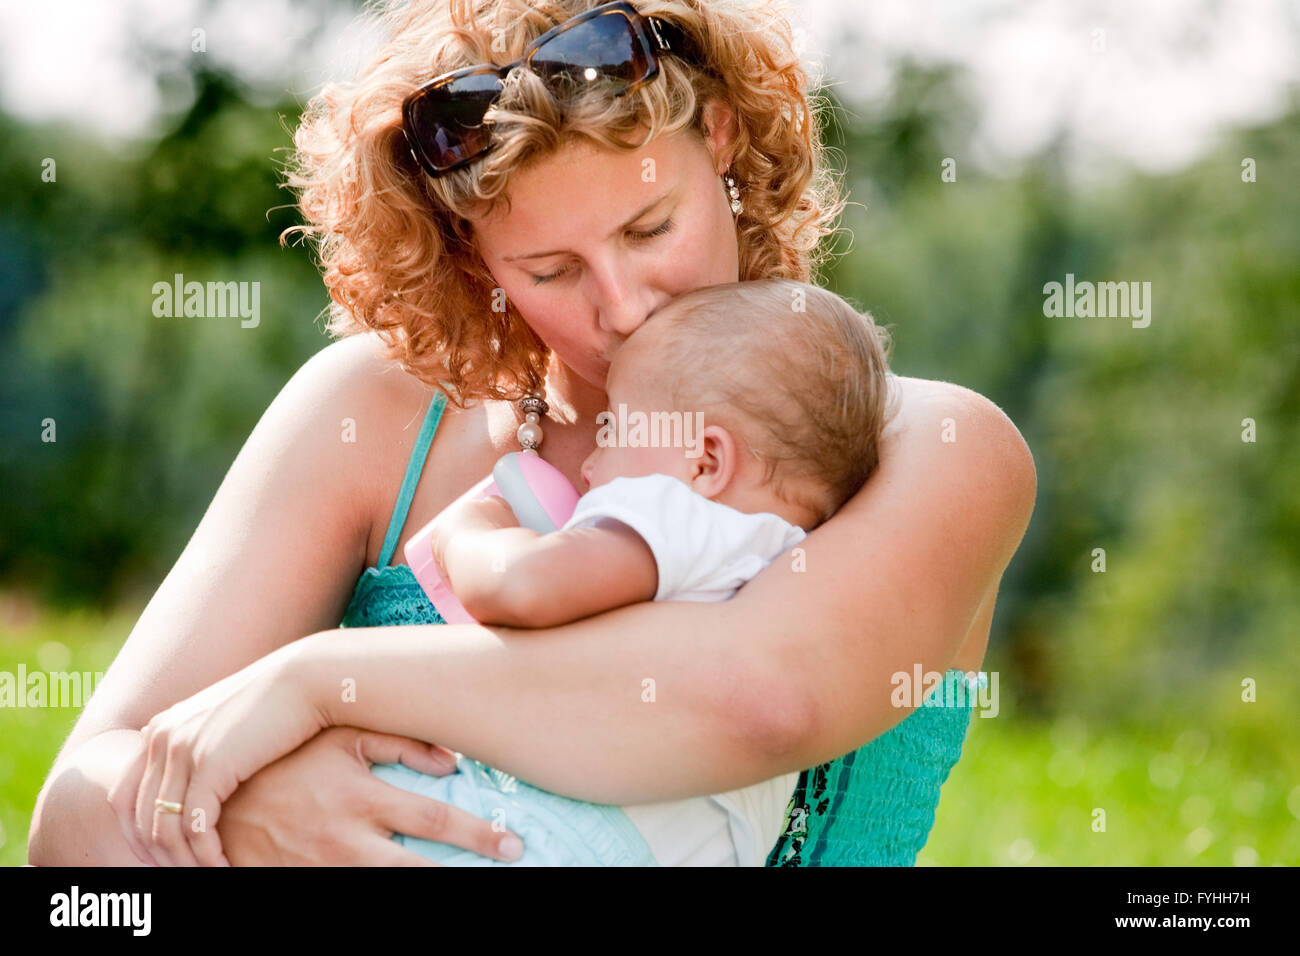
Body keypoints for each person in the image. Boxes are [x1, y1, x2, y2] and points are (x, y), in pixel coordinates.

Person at [28, 0, 1035, 868]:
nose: (625, 303)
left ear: (721, 138)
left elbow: (757, 698)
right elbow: (74, 817)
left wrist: (314, 683)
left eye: (650, 228)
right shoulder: (375, 415)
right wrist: (245, 812)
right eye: (550, 270)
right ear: (468, 251)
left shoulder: (927, 444)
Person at [364, 276, 893, 866]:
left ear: (706, 460)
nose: (591, 461)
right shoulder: (786, 560)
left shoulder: (676, 514)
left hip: (557, 832)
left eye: (615, 427)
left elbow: (520, 585)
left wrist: (469, 531)